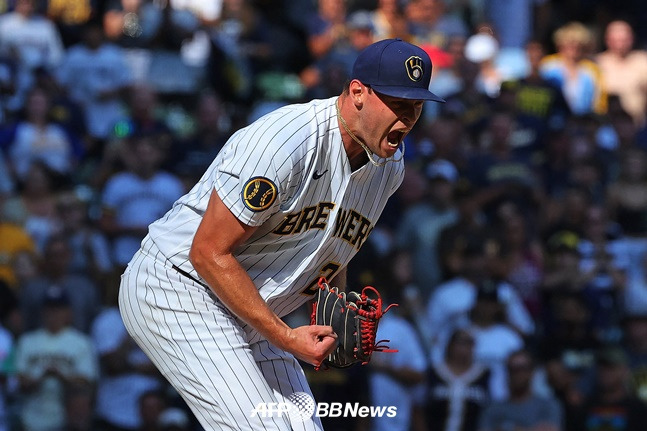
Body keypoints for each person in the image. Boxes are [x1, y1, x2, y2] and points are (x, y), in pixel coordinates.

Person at [118, 38, 445, 430]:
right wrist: (287, 338)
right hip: (178, 286)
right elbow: (207, 252)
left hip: (250, 305)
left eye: (416, 106)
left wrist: (336, 309)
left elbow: (336, 246)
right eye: (397, 104)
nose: (408, 118)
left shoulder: (388, 167)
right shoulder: (287, 143)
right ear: (358, 92)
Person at [477, 349, 562, 431]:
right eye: (512, 369)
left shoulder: (548, 406)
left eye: (522, 369)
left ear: (531, 372)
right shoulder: (493, 409)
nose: (517, 375)